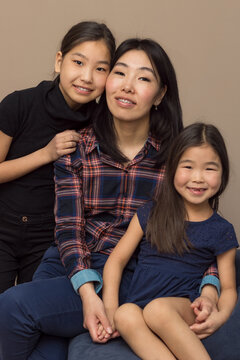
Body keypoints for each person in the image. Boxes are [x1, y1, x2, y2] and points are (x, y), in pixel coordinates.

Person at [0, 39, 218, 360]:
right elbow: (69, 229)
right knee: (41, 347)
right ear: (107, 83)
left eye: (143, 78)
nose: (127, 86)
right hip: (67, 264)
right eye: (120, 73)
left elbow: (206, 234)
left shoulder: (178, 160)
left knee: (12, 307)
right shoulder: (79, 147)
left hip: (129, 275)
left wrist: (210, 287)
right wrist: (88, 295)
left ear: (160, 95)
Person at [102, 122, 238, 360]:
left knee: (158, 310)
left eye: (209, 169)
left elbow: (227, 288)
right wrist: (110, 309)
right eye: (188, 167)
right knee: (125, 314)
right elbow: (117, 260)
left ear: (223, 173)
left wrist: (219, 316)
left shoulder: (221, 230)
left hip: (181, 306)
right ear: (172, 169)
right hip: (140, 303)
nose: (197, 178)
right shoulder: (150, 213)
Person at [0, 21, 115, 292]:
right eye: (78, 62)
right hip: (2, 224)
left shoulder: (103, 124)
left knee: (28, 315)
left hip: (50, 238)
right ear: (59, 61)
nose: (87, 77)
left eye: (100, 69)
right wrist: (46, 153)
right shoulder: (19, 103)